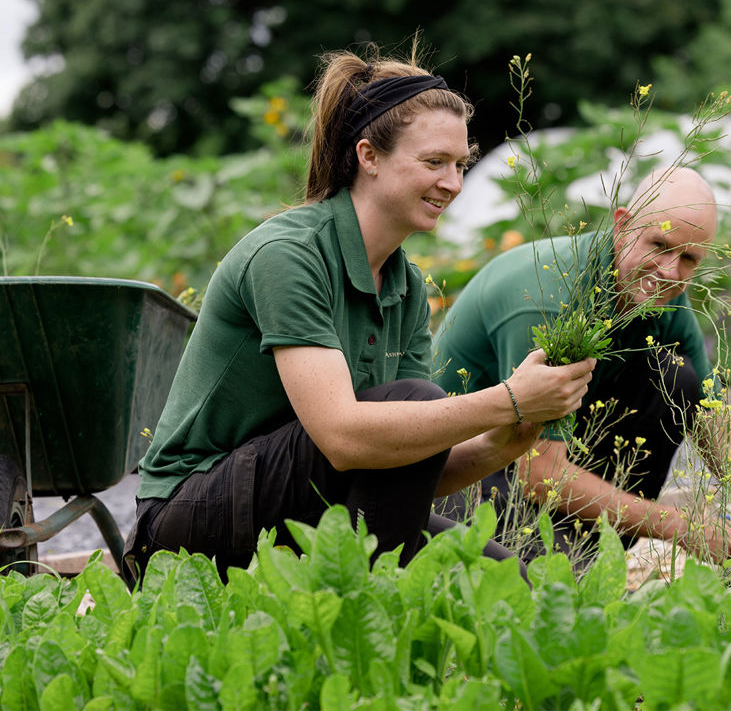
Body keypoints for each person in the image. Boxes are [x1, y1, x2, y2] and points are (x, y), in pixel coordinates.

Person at [122, 46, 595, 582]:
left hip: (296, 510)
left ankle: (360, 604)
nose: (454, 184)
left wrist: (499, 442)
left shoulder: (406, 285)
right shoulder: (288, 255)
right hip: (188, 521)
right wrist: (506, 398)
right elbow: (344, 439)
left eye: (460, 165)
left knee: (510, 581)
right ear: (368, 156)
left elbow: (404, 465)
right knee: (417, 405)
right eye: (434, 162)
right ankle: (358, 616)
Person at [434, 166, 731, 566]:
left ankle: (587, 559)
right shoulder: (553, 297)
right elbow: (539, 472)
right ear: (622, 224)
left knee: (676, 378)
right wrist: (678, 526)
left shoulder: (666, 301)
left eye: (689, 258)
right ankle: (555, 560)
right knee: (537, 585)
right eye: (660, 245)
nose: (669, 272)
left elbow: (726, 443)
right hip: (453, 470)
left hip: (542, 451)